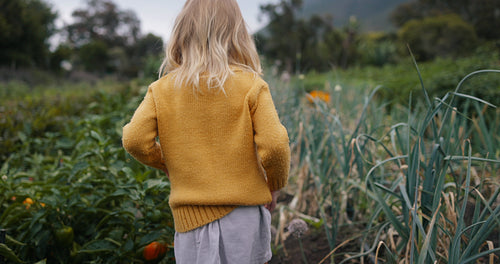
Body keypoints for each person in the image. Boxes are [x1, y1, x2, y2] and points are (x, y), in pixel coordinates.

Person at [122, 0, 290, 263]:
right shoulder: (252, 85)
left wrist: (165, 162)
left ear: (181, 34)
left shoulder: (162, 89)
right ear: (238, 35)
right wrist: (275, 184)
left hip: (191, 223)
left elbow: (133, 140)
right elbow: (276, 144)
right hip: (244, 216)